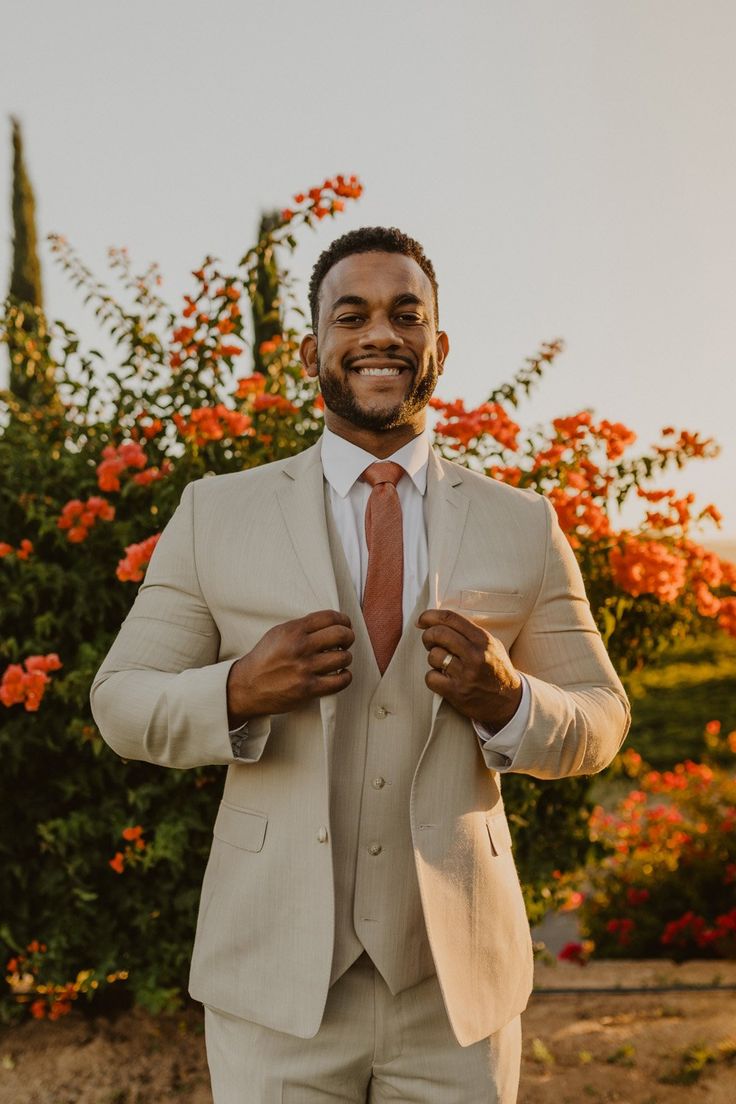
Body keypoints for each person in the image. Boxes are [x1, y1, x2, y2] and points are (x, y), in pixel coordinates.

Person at [91, 226, 630, 1103]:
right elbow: (119, 701)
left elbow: (602, 718)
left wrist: (512, 702)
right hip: (274, 993)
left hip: (455, 991)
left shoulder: (522, 523)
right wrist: (236, 690)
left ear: (438, 347)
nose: (380, 333)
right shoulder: (214, 515)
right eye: (353, 314)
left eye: (405, 314)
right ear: (312, 350)